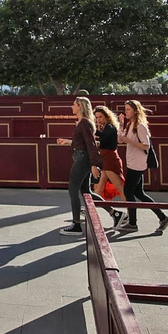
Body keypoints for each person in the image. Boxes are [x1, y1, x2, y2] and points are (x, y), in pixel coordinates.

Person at [56, 97, 120, 235]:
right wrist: (68, 142)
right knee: (86, 192)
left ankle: (76, 225)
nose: (71, 106)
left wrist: (94, 164)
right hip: (83, 158)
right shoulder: (84, 122)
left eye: (74, 104)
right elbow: (83, 143)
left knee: (73, 189)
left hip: (82, 159)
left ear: (80, 106)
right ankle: (115, 213)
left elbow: (91, 145)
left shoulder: (84, 123)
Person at [119, 100, 168, 231]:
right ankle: (163, 217)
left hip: (138, 163)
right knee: (139, 193)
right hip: (132, 161)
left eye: (128, 109)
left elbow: (146, 145)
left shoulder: (140, 126)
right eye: (125, 109)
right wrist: (121, 124)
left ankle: (132, 223)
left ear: (135, 111)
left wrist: (129, 141)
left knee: (128, 191)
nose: (126, 112)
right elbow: (120, 139)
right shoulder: (130, 124)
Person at [92, 106, 125, 205]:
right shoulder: (107, 127)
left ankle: (131, 209)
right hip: (106, 159)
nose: (98, 120)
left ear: (107, 116)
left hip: (110, 159)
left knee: (119, 186)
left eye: (100, 117)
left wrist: (93, 131)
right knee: (99, 186)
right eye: (97, 117)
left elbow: (103, 140)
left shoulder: (109, 127)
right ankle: (90, 208)